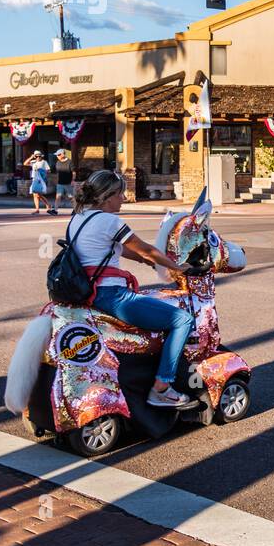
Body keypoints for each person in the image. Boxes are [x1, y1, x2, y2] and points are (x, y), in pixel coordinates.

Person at [70, 170, 196, 407]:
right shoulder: (110, 221)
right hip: (112, 295)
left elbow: (115, 249)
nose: (124, 199)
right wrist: (178, 267)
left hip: (87, 292)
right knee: (182, 320)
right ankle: (162, 387)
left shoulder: (79, 217)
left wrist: (144, 261)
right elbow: (145, 248)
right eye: (120, 194)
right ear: (108, 197)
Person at [51, 148, 73, 215]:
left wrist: (73, 180)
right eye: (57, 155)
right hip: (60, 183)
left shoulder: (70, 162)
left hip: (68, 183)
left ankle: (75, 210)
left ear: (63, 154)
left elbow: (74, 172)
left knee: (71, 197)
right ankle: (55, 210)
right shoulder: (57, 163)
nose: (57, 156)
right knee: (58, 197)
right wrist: (56, 181)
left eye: (59, 155)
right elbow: (58, 173)